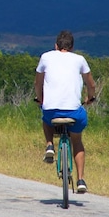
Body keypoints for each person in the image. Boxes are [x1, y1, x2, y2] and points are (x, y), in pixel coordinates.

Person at [34, 30, 97, 193]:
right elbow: (91, 85)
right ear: (72, 47)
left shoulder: (46, 57)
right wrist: (90, 98)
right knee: (77, 141)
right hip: (74, 112)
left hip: (52, 111)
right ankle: (81, 179)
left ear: (56, 46)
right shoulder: (79, 60)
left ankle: (49, 146)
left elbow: (38, 84)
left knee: (45, 118)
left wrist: (41, 100)